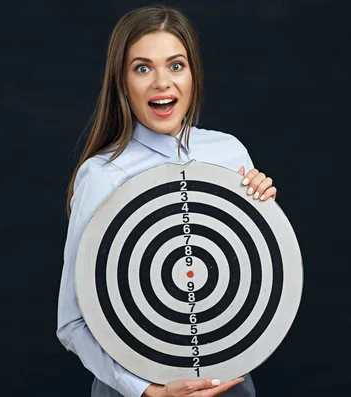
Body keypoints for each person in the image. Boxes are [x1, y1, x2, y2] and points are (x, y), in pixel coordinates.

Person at [56, 5, 276, 397]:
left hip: (228, 387)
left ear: (193, 75)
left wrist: (265, 216)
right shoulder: (102, 175)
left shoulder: (230, 154)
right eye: (142, 68)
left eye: (176, 66)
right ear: (122, 83)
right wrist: (144, 390)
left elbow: (251, 279)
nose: (162, 83)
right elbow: (72, 323)